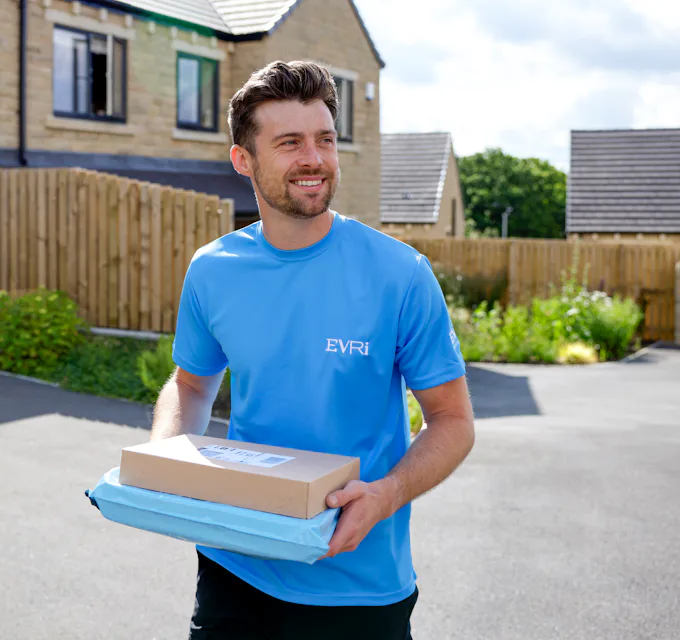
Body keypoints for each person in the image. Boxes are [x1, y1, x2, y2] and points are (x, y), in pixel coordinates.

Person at [148, 60, 476, 640]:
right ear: (243, 159)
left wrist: (387, 493)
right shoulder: (213, 270)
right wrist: (166, 455)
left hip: (356, 583)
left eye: (325, 139)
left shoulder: (400, 274)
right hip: (234, 565)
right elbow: (193, 383)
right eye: (290, 142)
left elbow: (451, 421)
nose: (315, 158)